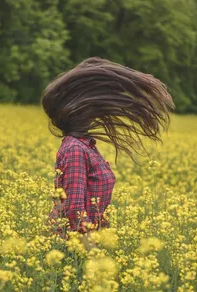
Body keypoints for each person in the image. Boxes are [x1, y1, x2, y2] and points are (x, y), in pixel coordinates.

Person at [41, 57, 175, 238]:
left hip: (84, 245)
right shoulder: (75, 149)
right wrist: (93, 252)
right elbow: (74, 212)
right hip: (73, 249)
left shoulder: (84, 146)